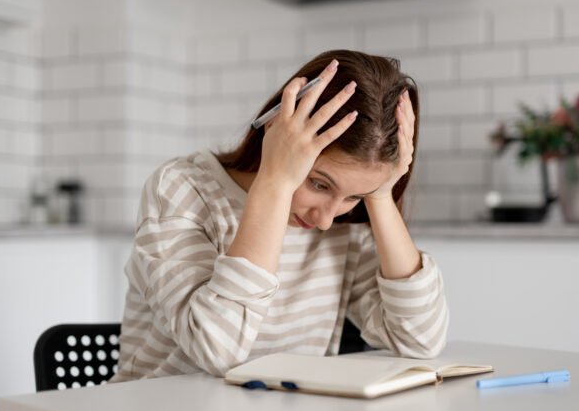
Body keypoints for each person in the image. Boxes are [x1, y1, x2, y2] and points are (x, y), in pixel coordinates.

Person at [111, 49, 449, 381]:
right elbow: (217, 348)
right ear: (277, 128)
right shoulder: (181, 190)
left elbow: (420, 339)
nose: (326, 219)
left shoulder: (343, 223)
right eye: (319, 184)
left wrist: (379, 195)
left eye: (354, 196)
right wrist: (274, 183)